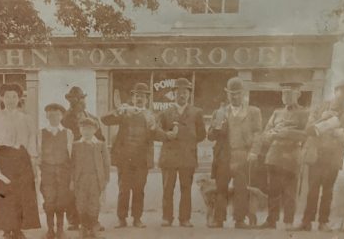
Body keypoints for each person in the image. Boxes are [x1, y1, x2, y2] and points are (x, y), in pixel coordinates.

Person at [290, 80, 344, 232]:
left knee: (328, 191)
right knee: (312, 190)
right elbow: (308, 130)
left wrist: (342, 137)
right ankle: (306, 222)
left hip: (333, 157)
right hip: (316, 155)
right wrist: (323, 117)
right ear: (336, 90)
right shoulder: (320, 108)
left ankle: (323, 222)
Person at [0, 83, 41, 239]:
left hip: (22, 158)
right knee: (5, 193)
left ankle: (18, 229)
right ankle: (7, 229)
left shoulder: (26, 119)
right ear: (2, 98)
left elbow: (31, 141)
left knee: (21, 193)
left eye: (14, 96)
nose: (11, 99)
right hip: (3, 157)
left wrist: (33, 163)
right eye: (7, 96)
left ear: (19, 98)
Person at [207, 77, 262, 229]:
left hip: (242, 154)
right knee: (221, 188)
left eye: (237, 93)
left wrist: (254, 152)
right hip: (223, 155)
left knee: (241, 189)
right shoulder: (219, 112)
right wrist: (216, 128)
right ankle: (219, 219)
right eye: (231, 93)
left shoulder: (253, 112)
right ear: (227, 94)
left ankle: (239, 220)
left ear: (243, 94)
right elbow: (210, 136)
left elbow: (258, 133)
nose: (234, 96)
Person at [100, 82, 157, 229]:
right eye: (137, 96)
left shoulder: (150, 115)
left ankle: (137, 219)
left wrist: (167, 134)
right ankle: (122, 219)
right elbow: (104, 120)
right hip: (125, 159)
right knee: (123, 190)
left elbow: (157, 133)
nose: (139, 99)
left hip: (141, 160)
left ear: (147, 99)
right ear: (133, 98)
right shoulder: (125, 112)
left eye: (143, 96)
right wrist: (118, 110)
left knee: (139, 190)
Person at [155, 77, 206, 228]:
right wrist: (166, 135)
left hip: (187, 157)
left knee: (186, 189)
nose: (182, 95)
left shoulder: (197, 113)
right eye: (178, 92)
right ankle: (167, 217)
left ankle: (185, 218)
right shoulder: (165, 113)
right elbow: (156, 132)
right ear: (174, 94)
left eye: (185, 92)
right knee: (167, 188)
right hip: (169, 157)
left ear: (189, 94)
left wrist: (188, 141)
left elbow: (202, 134)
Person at [258, 82, 309, 230]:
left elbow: (306, 135)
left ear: (298, 94)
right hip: (274, 156)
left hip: (291, 157)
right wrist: (273, 134)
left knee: (290, 192)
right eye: (284, 93)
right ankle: (271, 221)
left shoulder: (304, 113)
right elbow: (265, 134)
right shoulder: (276, 113)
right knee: (273, 190)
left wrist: (287, 133)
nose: (286, 96)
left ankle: (288, 222)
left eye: (290, 93)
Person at [61, 86, 105, 230]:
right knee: (73, 191)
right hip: (72, 160)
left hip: (91, 160)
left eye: (81, 99)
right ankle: (73, 220)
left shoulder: (92, 117)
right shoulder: (66, 119)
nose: (79, 102)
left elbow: (100, 139)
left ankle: (93, 221)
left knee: (92, 194)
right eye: (74, 100)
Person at [37, 103, 74, 239]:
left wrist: (70, 174)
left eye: (56, 114)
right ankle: (50, 229)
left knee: (61, 201)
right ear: (47, 116)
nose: (53, 117)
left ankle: (60, 229)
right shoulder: (41, 133)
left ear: (62, 116)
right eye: (50, 114)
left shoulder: (68, 133)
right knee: (49, 201)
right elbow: (39, 155)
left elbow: (71, 155)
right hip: (47, 172)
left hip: (63, 172)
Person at [71, 117, 110, 239]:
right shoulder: (76, 145)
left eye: (89, 129)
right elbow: (72, 164)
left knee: (94, 203)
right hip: (80, 179)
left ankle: (93, 227)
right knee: (81, 203)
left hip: (95, 179)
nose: (86, 132)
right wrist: (72, 180)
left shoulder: (100, 145)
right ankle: (83, 227)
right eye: (83, 129)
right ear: (80, 130)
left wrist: (105, 179)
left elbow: (106, 163)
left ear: (95, 130)